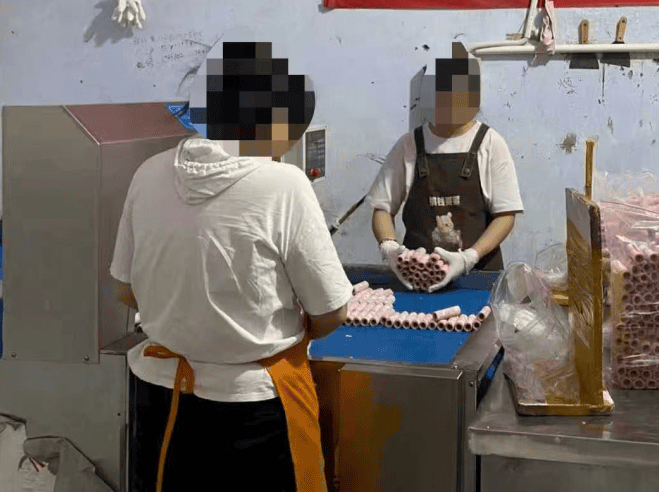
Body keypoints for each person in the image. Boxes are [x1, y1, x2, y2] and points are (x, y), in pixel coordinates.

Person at [111, 42, 351, 492]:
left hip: (161, 403)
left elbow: (125, 291)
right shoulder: (284, 184)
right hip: (253, 411)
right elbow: (332, 312)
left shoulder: (148, 172)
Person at [369, 42, 523, 291]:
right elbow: (382, 209)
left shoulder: (491, 144)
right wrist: (390, 248)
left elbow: (505, 216)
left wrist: (469, 257)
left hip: (477, 279)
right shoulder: (409, 145)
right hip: (419, 277)